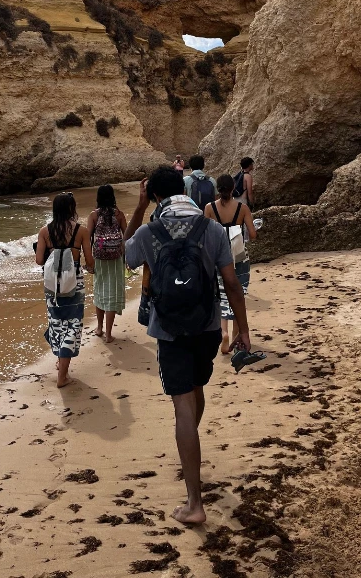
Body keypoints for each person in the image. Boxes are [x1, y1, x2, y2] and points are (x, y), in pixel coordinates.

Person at [124, 166, 250, 525]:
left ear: (155, 195)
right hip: (208, 327)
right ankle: (190, 450)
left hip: (170, 331)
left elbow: (124, 257)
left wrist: (137, 208)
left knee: (182, 408)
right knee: (196, 391)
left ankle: (195, 503)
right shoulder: (210, 228)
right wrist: (243, 330)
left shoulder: (150, 231)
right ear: (183, 189)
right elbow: (231, 283)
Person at [35, 192, 94, 388]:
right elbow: (89, 260)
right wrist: (89, 268)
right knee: (73, 324)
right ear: (72, 209)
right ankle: (63, 375)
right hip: (74, 282)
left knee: (56, 323)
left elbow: (38, 260)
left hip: (52, 284)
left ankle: (61, 362)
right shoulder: (81, 231)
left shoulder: (45, 231)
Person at [204, 174, 257, 355]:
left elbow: (205, 234)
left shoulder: (209, 208)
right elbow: (252, 233)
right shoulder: (242, 208)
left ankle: (223, 333)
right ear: (234, 186)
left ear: (217, 188)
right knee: (238, 293)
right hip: (239, 256)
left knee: (221, 294)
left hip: (218, 257)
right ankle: (236, 335)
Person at [87, 185, 127, 343]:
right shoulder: (119, 214)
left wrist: (88, 260)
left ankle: (99, 328)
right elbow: (127, 236)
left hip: (100, 257)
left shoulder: (93, 215)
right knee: (112, 292)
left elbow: (88, 238)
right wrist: (126, 256)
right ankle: (109, 334)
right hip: (116, 257)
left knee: (100, 289)